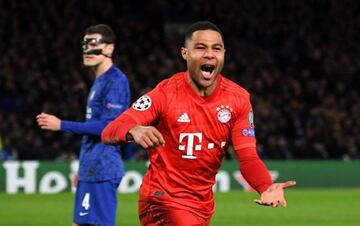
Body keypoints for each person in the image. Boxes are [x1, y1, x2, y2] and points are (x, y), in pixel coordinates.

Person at [101, 21, 296, 226]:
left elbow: (248, 158)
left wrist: (265, 186)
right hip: (162, 200)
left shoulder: (238, 99)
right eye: (201, 48)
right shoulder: (165, 93)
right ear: (185, 54)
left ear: (223, 55)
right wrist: (134, 129)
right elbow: (109, 131)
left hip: (202, 206)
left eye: (216, 48)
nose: (210, 54)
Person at [36, 24, 130, 226]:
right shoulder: (99, 81)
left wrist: (62, 124)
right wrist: (84, 167)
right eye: (84, 45)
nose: (87, 50)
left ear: (109, 48)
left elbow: (108, 126)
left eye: (93, 44)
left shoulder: (117, 81)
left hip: (103, 168)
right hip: (92, 168)